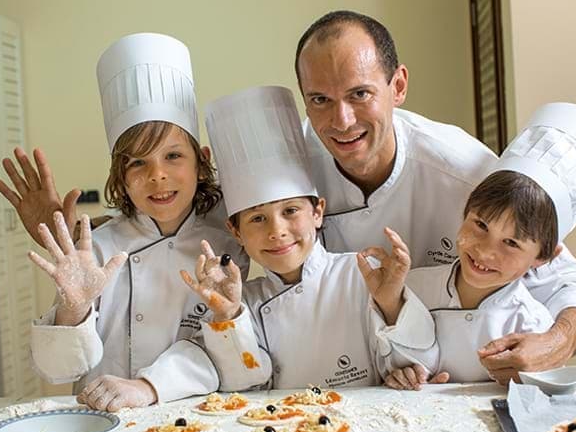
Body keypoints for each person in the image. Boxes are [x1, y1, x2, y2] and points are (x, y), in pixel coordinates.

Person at [295, 10, 576, 385]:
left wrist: (557, 341)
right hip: (338, 374)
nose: (341, 121)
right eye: (319, 99)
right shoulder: (291, 170)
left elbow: (571, 283)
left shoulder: (464, 171)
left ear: (398, 86)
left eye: (360, 94)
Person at [25, 33, 247, 412]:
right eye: (138, 162)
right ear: (121, 175)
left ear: (201, 160)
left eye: (173, 155)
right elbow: (57, 370)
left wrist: (149, 386)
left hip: (196, 415)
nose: (157, 176)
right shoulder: (96, 245)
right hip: (102, 418)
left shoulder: (226, 249)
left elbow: (231, 359)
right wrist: (73, 310)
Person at [180, 86, 438, 389]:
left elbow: (421, 359)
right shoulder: (243, 303)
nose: (276, 231)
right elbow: (243, 385)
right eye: (257, 218)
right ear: (236, 231)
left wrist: (392, 306)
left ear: (318, 212)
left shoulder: (361, 275)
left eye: (290, 210)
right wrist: (229, 316)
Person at [385, 103, 576, 388]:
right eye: (481, 225)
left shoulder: (532, 324)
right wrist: (400, 373)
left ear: (544, 257)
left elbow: (544, 399)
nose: (484, 251)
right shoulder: (414, 286)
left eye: (511, 242)